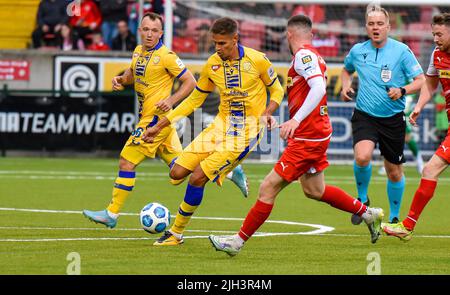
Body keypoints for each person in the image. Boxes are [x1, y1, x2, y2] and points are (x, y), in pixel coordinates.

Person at [208, 14, 384, 256]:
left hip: (307, 137)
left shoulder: (303, 56)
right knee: (315, 190)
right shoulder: (312, 55)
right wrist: (289, 120)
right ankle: (367, 213)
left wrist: (296, 120)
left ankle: (236, 242)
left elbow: (319, 88)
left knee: (267, 189)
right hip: (316, 133)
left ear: (288, 34)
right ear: (310, 34)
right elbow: (312, 92)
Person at [82, 13, 249, 228]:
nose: (150, 34)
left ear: (161, 33)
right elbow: (132, 74)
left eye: (154, 30)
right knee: (178, 171)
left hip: (155, 121)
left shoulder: (167, 56)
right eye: (146, 29)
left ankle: (111, 214)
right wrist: (120, 80)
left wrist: (171, 100)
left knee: (127, 160)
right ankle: (227, 171)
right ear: (140, 31)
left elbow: (190, 81)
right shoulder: (138, 52)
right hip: (155, 122)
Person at [141, 17, 284, 246]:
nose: (217, 48)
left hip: (246, 132)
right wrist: (160, 125)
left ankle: (176, 234)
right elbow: (194, 100)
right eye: (215, 43)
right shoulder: (212, 64)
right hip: (220, 125)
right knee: (176, 173)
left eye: (222, 44)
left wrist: (269, 110)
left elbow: (277, 89)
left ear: (235, 39)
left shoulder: (257, 60)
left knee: (197, 177)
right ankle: (230, 172)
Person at [340, 5, 425, 224]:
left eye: (380, 24)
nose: (375, 28)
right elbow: (346, 69)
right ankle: (362, 199)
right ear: (366, 27)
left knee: (394, 171)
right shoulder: (358, 50)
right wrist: (345, 86)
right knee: (362, 156)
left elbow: (421, 80)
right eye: (371, 24)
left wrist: (403, 90)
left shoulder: (402, 51)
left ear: (388, 26)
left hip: (393, 118)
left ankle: (394, 217)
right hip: (365, 114)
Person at [382, 13, 450, 241]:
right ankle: (408, 225)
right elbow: (430, 85)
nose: (435, 39)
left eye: (439, 34)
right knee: (430, 171)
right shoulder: (437, 56)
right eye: (433, 34)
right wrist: (419, 106)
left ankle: (408, 225)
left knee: (430, 170)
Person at [378, 94, 424, 176]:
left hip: (404, 116)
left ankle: (419, 162)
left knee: (407, 138)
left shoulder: (410, 87)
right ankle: (387, 164)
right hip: (390, 116)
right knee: (389, 140)